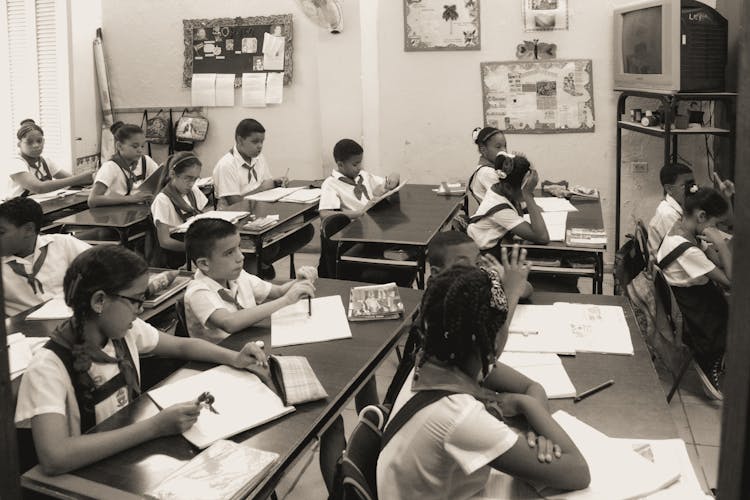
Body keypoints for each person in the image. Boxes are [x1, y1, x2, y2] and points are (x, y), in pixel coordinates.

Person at [14, 245, 268, 475]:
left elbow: (181, 345)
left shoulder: (126, 331)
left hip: (128, 456)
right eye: (135, 300)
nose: (141, 309)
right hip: (83, 476)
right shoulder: (48, 367)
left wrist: (233, 357)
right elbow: (54, 457)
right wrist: (154, 427)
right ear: (99, 301)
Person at [377, 260, 590, 498]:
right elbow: (579, 473)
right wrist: (526, 405)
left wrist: (535, 431)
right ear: (492, 340)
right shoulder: (459, 417)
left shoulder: (437, 357)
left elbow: (532, 386)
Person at [183, 218, 316, 343]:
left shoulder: (238, 276)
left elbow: (278, 291)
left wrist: (298, 281)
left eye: (239, 247)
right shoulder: (198, 292)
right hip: (220, 360)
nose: (240, 257)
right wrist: (286, 301)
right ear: (204, 264)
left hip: (248, 344)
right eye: (229, 253)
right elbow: (229, 322)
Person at [655, 186, 731, 400]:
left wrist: (714, 248)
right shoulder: (689, 250)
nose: (716, 230)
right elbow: (731, 281)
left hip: (693, 298)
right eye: (715, 225)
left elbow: (717, 264)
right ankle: (710, 362)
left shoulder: (680, 229)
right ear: (701, 216)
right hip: (697, 315)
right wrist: (720, 245)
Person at [212, 118, 314, 279]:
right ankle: (256, 266)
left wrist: (276, 182)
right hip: (237, 222)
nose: (259, 146)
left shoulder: (258, 158)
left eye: (262, 142)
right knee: (270, 244)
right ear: (239, 140)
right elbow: (235, 204)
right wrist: (261, 188)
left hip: (260, 213)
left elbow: (267, 185)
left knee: (304, 231)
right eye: (255, 141)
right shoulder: (226, 165)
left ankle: (262, 263)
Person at [0, 197, 90, 316]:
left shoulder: (63, 244)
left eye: (1, 232)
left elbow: (106, 264)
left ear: (28, 230)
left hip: (72, 318)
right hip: (25, 329)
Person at [467, 153, 549, 253]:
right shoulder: (500, 209)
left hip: (500, 242)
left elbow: (534, 209)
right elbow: (542, 237)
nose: (530, 190)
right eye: (526, 188)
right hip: (486, 254)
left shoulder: (501, 189)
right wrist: (528, 195)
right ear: (508, 188)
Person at [5, 119, 93, 199]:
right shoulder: (15, 163)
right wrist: (81, 178)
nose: (36, 145)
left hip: (43, 206)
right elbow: (39, 187)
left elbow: (70, 179)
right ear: (19, 144)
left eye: (39, 141)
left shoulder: (45, 161)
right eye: (29, 142)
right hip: (19, 210)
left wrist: (95, 178)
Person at [150, 152, 209, 268]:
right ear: (173, 174)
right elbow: (164, 241)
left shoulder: (194, 191)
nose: (191, 184)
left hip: (194, 246)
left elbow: (204, 218)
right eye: (187, 178)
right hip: (176, 255)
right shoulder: (162, 200)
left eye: (195, 179)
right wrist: (196, 248)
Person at [318, 138, 400, 219]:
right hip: (357, 226)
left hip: (376, 219)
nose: (359, 167)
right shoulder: (330, 184)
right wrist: (361, 212)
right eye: (355, 164)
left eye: (360, 162)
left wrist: (394, 176)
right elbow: (324, 214)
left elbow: (385, 182)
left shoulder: (362, 175)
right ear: (340, 165)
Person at [88, 122, 160, 207]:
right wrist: (132, 198)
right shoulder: (110, 167)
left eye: (142, 146)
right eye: (135, 146)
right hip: (116, 215)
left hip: (140, 212)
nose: (140, 150)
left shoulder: (146, 161)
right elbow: (93, 200)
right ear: (119, 146)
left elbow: (162, 182)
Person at [647, 162, 694, 256]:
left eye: (692, 184)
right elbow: (687, 248)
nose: (691, 189)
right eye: (685, 185)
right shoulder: (668, 214)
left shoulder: (680, 206)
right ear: (669, 189)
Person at [467, 126, 508, 204]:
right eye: (498, 147)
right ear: (483, 150)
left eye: (505, 146)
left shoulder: (494, 169)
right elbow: (509, 199)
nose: (504, 150)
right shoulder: (487, 172)